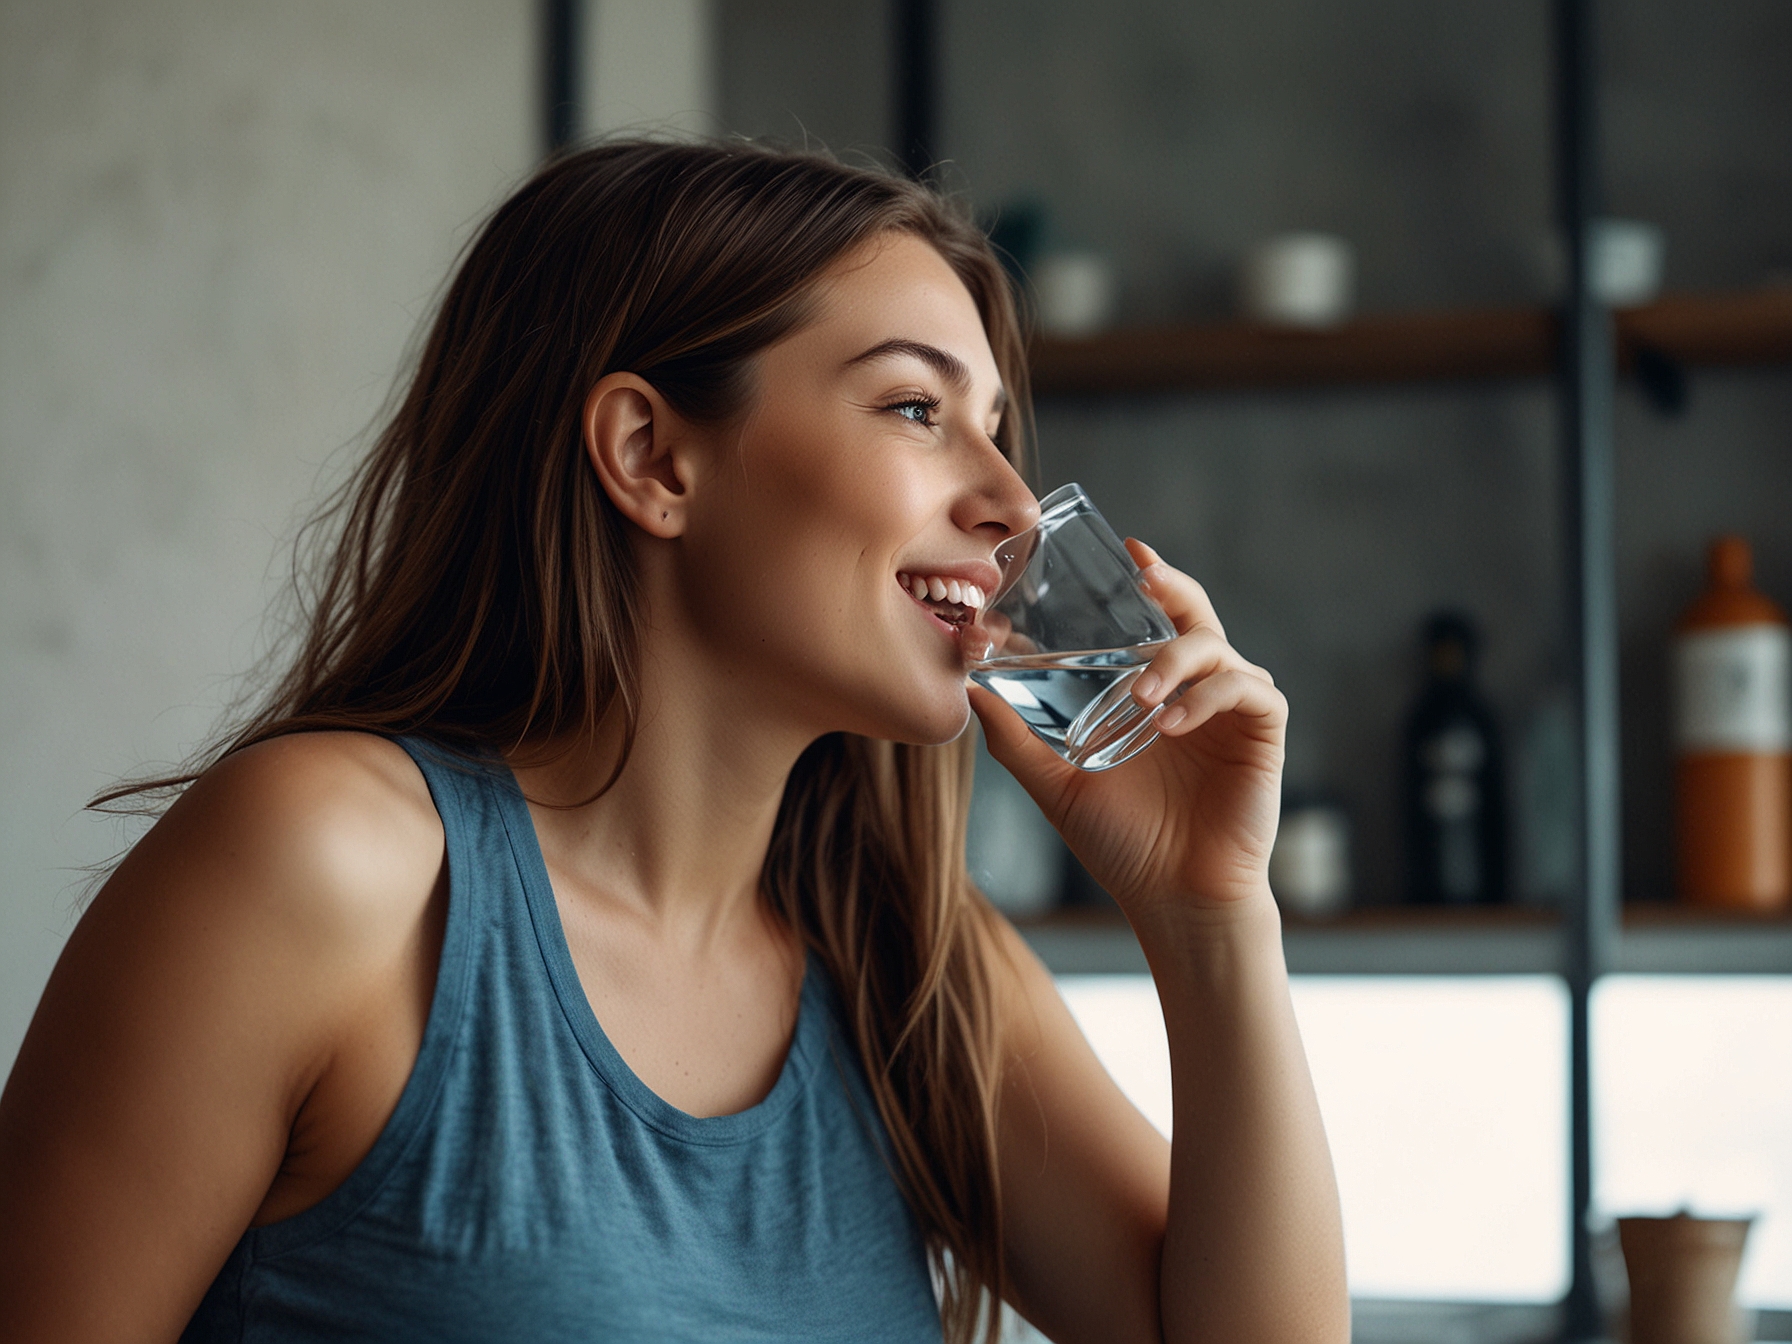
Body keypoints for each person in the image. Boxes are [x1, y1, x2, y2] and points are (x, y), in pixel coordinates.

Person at [0, 140, 1346, 1343]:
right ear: (651, 456)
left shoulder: (910, 961)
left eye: (996, 428)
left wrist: (1210, 915)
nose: (1007, 502)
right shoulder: (326, 867)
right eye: (912, 409)